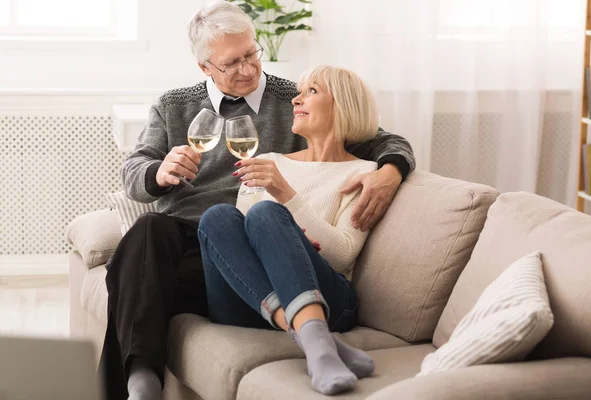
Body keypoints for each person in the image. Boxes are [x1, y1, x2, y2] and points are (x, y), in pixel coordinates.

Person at [100, 2, 415, 400]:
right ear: (206, 68)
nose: (248, 69)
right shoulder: (173, 105)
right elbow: (134, 172)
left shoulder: (295, 101)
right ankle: (142, 383)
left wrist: (391, 170)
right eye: (231, 63)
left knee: (134, 277)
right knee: (145, 236)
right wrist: (159, 172)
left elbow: (378, 135)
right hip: (183, 244)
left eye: (252, 54)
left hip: (255, 243)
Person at [198, 65, 380, 395]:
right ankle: (316, 341)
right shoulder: (269, 161)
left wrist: (285, 197)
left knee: (267, 212)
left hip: (331, 303)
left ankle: (318, 341)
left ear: (343, 104)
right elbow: (237, 254)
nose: (296, 99)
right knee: (217, 218)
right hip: (249, 302)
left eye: (312, 91)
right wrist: (284, 242)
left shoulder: (366, 173)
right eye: (299, 91)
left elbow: (341, 256)